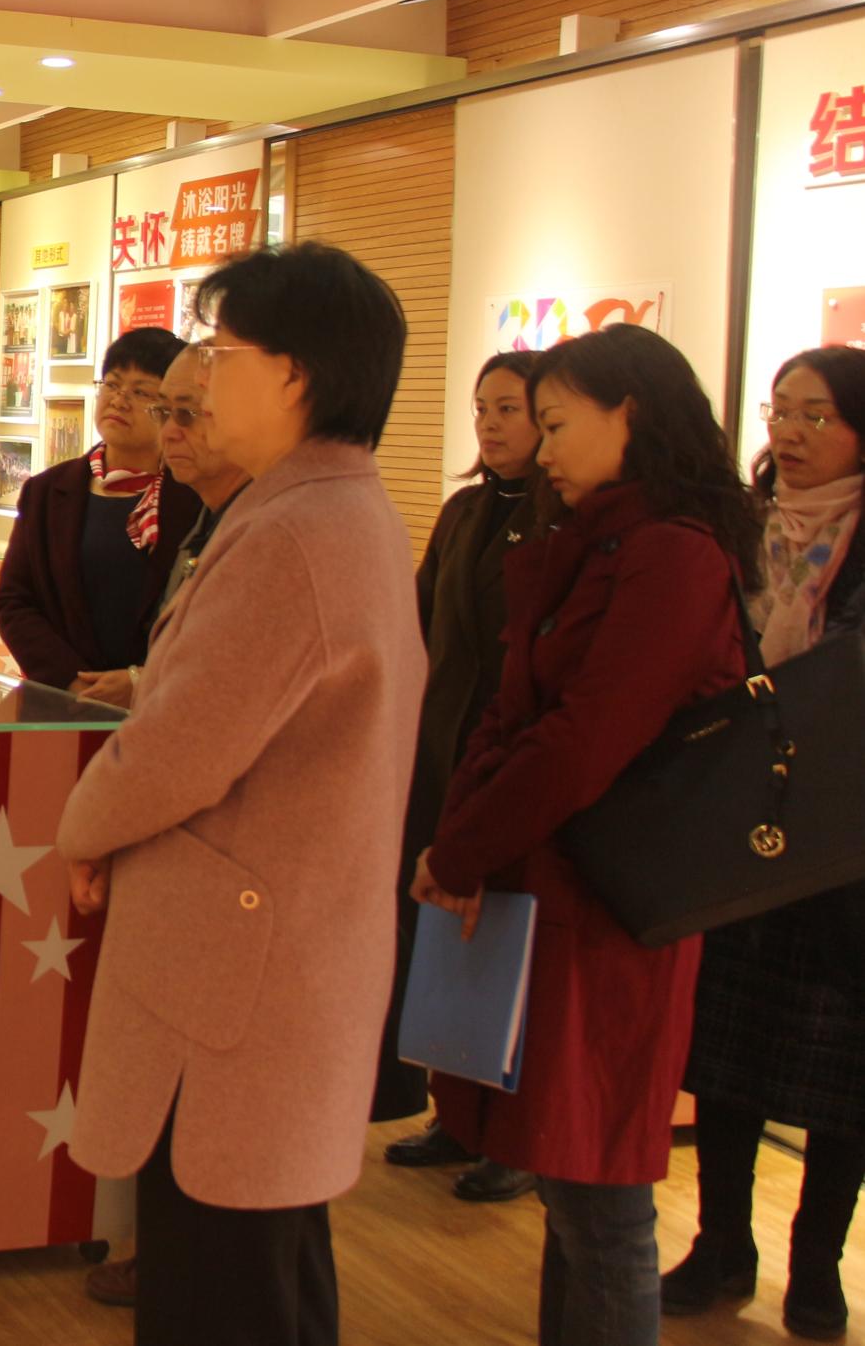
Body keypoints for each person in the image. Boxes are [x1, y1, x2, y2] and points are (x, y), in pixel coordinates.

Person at [56, 243, 427, 1345]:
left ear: (296, 373)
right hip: (274, 961)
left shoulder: (294, 532)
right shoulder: (326, 510)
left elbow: (179, 748)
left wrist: (82, 829)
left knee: (219, 1281)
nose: (203, 381)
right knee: (267, 1265)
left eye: (223, 353)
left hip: (235, 979)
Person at [416, 323, 758, 1346]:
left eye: (557, 423)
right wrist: (461, 835)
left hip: (612, 913)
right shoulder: (581, 540)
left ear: (631, 415)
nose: (542, 446)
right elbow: (509, 705)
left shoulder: (674, 554)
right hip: (544, 890)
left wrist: (461, 847)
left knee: (600, 1197)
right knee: (567, 1191)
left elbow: (584, 739)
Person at [670, 345, 865, 1341]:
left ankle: (817, 1263)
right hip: (739, 825)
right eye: (779, 411)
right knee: (729, 1052)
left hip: (845, 844)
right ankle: (720, 1243)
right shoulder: (741, 530)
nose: (788, 432)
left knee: (842, 1070)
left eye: (815, 415)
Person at [80, 340, 253, 1312]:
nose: (168, 427)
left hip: (225, 875)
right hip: (169, 839)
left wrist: (89, 830)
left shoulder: (272, 531)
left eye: (184, 409)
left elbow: (201, 713)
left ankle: (178, 1272)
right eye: (162, 406)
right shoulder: (219, 523)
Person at [381, 351, 548, 1206]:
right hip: (439, 753)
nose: (489, 423)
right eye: (482, 407)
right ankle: (455, 1115)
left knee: (507, 944)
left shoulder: (563, 522)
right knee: (438, 935)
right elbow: (417, 622)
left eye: (509, 408)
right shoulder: (464, 511)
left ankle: (511, 1135)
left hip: (511, 759)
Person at [0, 327, 203, 699]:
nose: (119, 400)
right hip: (64, 704)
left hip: (161, 702)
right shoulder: (47, 491)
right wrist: (74, 682)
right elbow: (14, 600)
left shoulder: (195, 494)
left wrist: (140, 681)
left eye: (140, 392)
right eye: (112, 384)